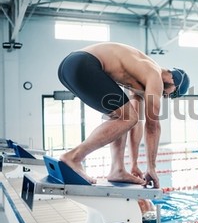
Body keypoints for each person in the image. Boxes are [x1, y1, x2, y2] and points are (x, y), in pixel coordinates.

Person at [57, 42, 190, 188]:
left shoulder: (141, 77)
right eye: (172, 95)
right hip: (83, 64)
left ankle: (118, 169)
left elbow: (136, 123)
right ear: (174, 82)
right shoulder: (154, 75)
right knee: (126, 117)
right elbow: (153, 126)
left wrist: (134, 164)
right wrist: (152, 168)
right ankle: (74, 157)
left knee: (124, 117)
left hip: (69, 67)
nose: (166, 97)